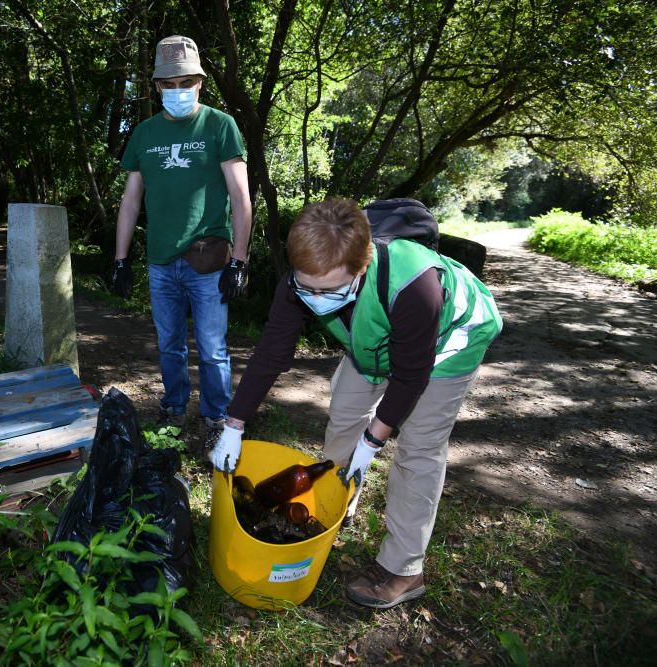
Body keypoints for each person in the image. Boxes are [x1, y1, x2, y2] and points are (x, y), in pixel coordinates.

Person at [210, 197, 502, 609]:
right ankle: (335, 503)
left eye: (326, 290)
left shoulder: (414, 285)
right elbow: (271, 354)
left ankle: (404, 569)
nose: (313, 297)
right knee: (345, 413)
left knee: (418, 449)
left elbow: (411, 376)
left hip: (445, 344)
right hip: (372, 340)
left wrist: (374, 441)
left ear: (360, 269)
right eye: (304, 285)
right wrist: (233, 424)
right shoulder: (302, 281)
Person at [112, 35, 253, 443]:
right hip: (160, 261)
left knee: (212, 349)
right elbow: (130, 202)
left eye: (185, 82)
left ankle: (216, 419)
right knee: (169, 344)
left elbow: (242, 198)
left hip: (207, 261)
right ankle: (173, 408)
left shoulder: (219, 125)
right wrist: (121, 259)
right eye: (169, 84)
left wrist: (240, 261)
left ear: (200, 83)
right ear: (157, 87)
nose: (177, 91)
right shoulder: (144, 134)